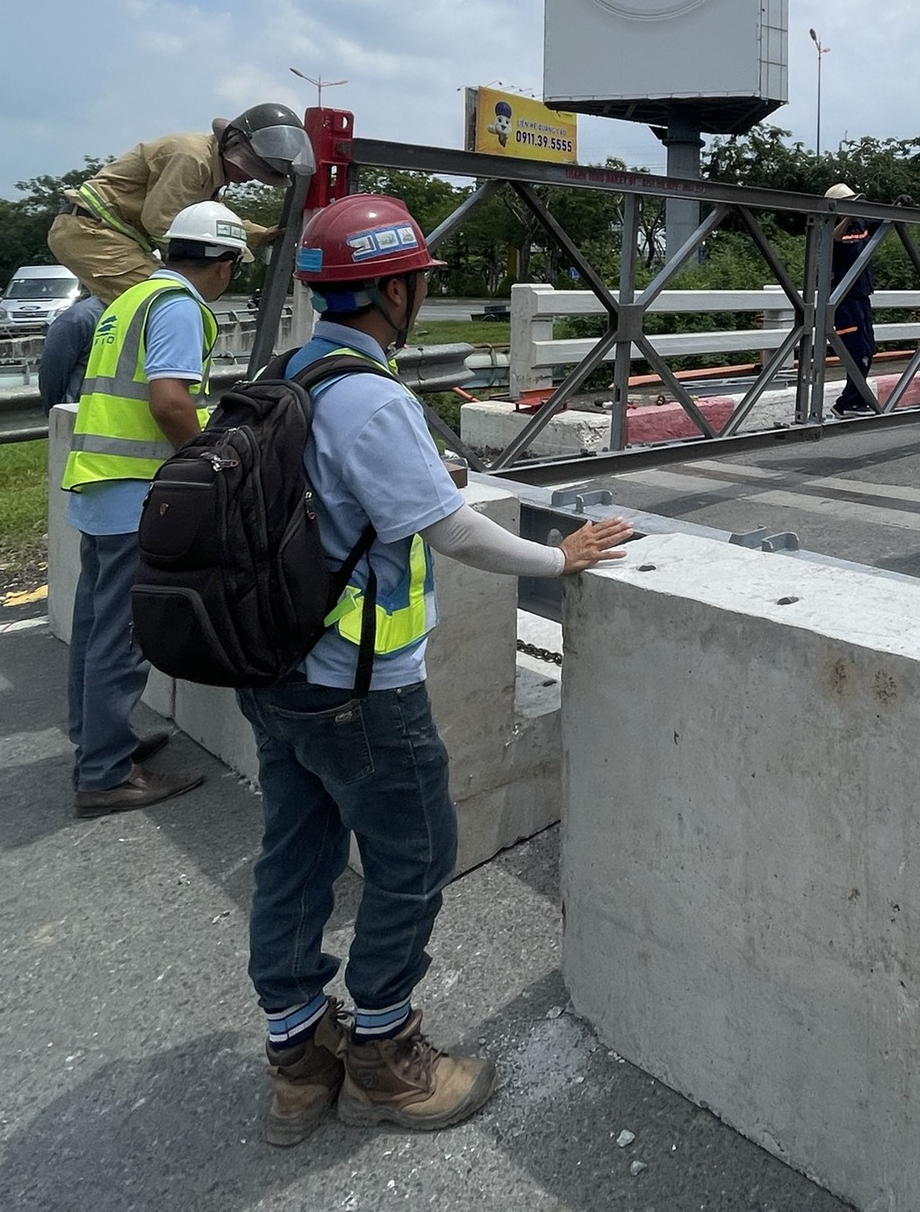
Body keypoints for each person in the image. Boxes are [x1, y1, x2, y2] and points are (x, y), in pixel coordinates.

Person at [252, 194, 634, 1147]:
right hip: (359, 686)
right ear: (388, 289)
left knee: (295, 853)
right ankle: (384, 1056)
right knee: (412, 854)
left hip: (275, 668)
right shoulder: (372, 396)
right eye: (417, 280)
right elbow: (449, 529)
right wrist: (562, 559)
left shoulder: (289, 370)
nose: (422, 291)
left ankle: (298, 1059)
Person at [58, 201, 254, 816]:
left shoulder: (129, 299)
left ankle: (98, 741)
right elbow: (170, 400)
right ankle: (105, 774)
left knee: (94, 627)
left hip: (99, 484)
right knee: (123, 635)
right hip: (134, 492)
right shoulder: (177, 307)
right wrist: (208, 464)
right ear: (222, 264)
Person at [47, 104, 310, 306]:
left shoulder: (210, 165)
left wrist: (256, 234)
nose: (249, 177)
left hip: (107, 234)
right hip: (92, 231)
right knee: (168, 301)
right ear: (232, 145)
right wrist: (206, 263)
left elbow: (197, 217)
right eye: (249, 167)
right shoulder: (191, 159)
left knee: (159, 301)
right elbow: (162, 221)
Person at [825, 184, 881, 417]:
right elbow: (832, 239)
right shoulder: (830, 227)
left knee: (868, 349)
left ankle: (855, 401)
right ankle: (845, 403)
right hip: (843, 301)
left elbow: (883, 221)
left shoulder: (861, 225)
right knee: (856, 352)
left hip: (861, 296)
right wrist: (846, 217)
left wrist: (897, 205)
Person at [37, 293, 104, 410]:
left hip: (82, 412)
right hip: (85, 414)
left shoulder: (78, 318)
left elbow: (52, 373)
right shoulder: (79, 318)